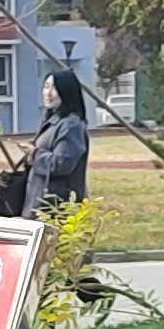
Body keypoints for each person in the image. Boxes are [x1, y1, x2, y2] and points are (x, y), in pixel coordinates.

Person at [33, 68, 94, 221]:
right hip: (44, 202)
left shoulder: (71, 125)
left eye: (54, 88)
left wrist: (33, 155)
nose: (48, 93)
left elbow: (61, 163)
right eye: (46, 86)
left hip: (61, 207)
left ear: (66, 91)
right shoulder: (53, 121)